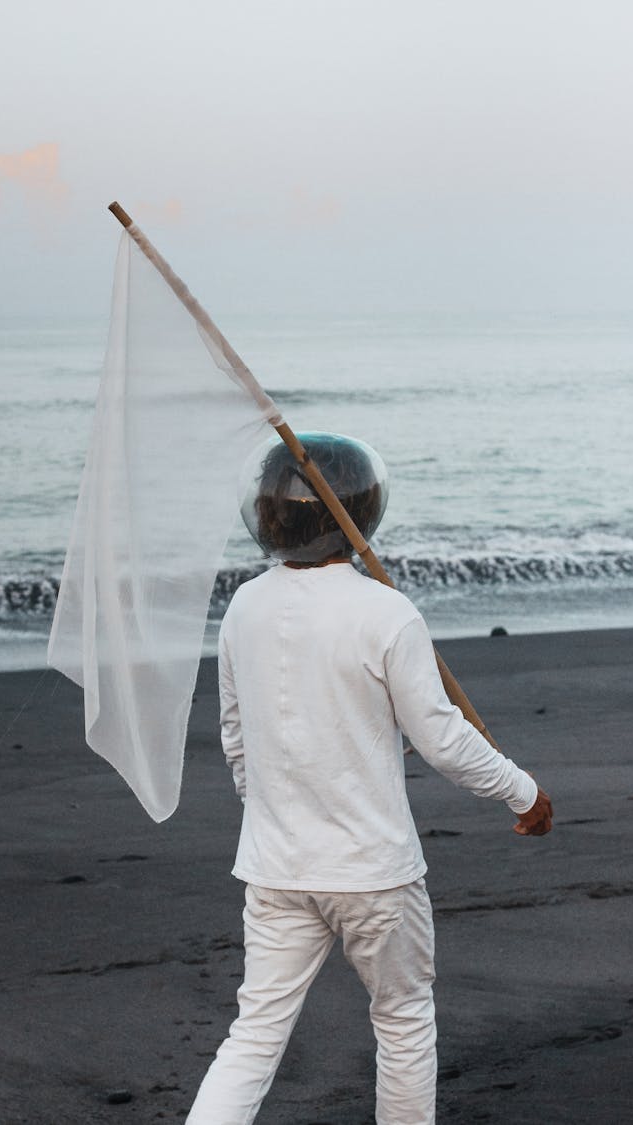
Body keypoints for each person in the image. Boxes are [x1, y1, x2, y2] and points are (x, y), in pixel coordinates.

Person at [186, 433, 553, 1125]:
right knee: (405, 1019)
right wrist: (523, 792)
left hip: (276, 866)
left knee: (255, 1035)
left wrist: (276, 811)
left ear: (270, 517)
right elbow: (442, 739)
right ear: (359, 514)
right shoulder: (386, 612)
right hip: (374, 873)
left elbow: (239, 740)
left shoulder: (244, 608)